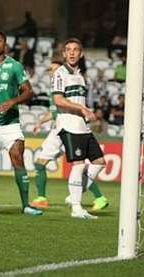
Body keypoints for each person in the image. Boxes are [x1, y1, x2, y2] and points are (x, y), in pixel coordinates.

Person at [0, 32, 42, 216]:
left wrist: (12, 101)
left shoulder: (14, 66)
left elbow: (29, 92)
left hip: (10, 124)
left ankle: (26, 205)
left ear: (5, 45)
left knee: (18, 159)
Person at [31, 57, 107, 211]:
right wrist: (40, 122)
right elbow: (54, 111)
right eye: (50, 70)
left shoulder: (67, 85)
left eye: (53, 69)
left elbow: (65, 105)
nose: (51, 72)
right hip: (58, 128)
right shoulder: (55, 87)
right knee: (40, 163)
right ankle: (42, 198)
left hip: (67, 128)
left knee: (79, 166)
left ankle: (96, 197)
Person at [52, 38, 106, 219]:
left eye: (76, 50)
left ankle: (74, 194)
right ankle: (76, 207)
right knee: (79, 164)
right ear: (64, 54)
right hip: (68, 125)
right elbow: (58, 100)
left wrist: (87, 112)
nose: (72, 53)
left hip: (82, 126)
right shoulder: (60, 73)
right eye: (69, 50)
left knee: (99, 161)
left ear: (81, 54)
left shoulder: (80, 76)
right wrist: (82, 109)